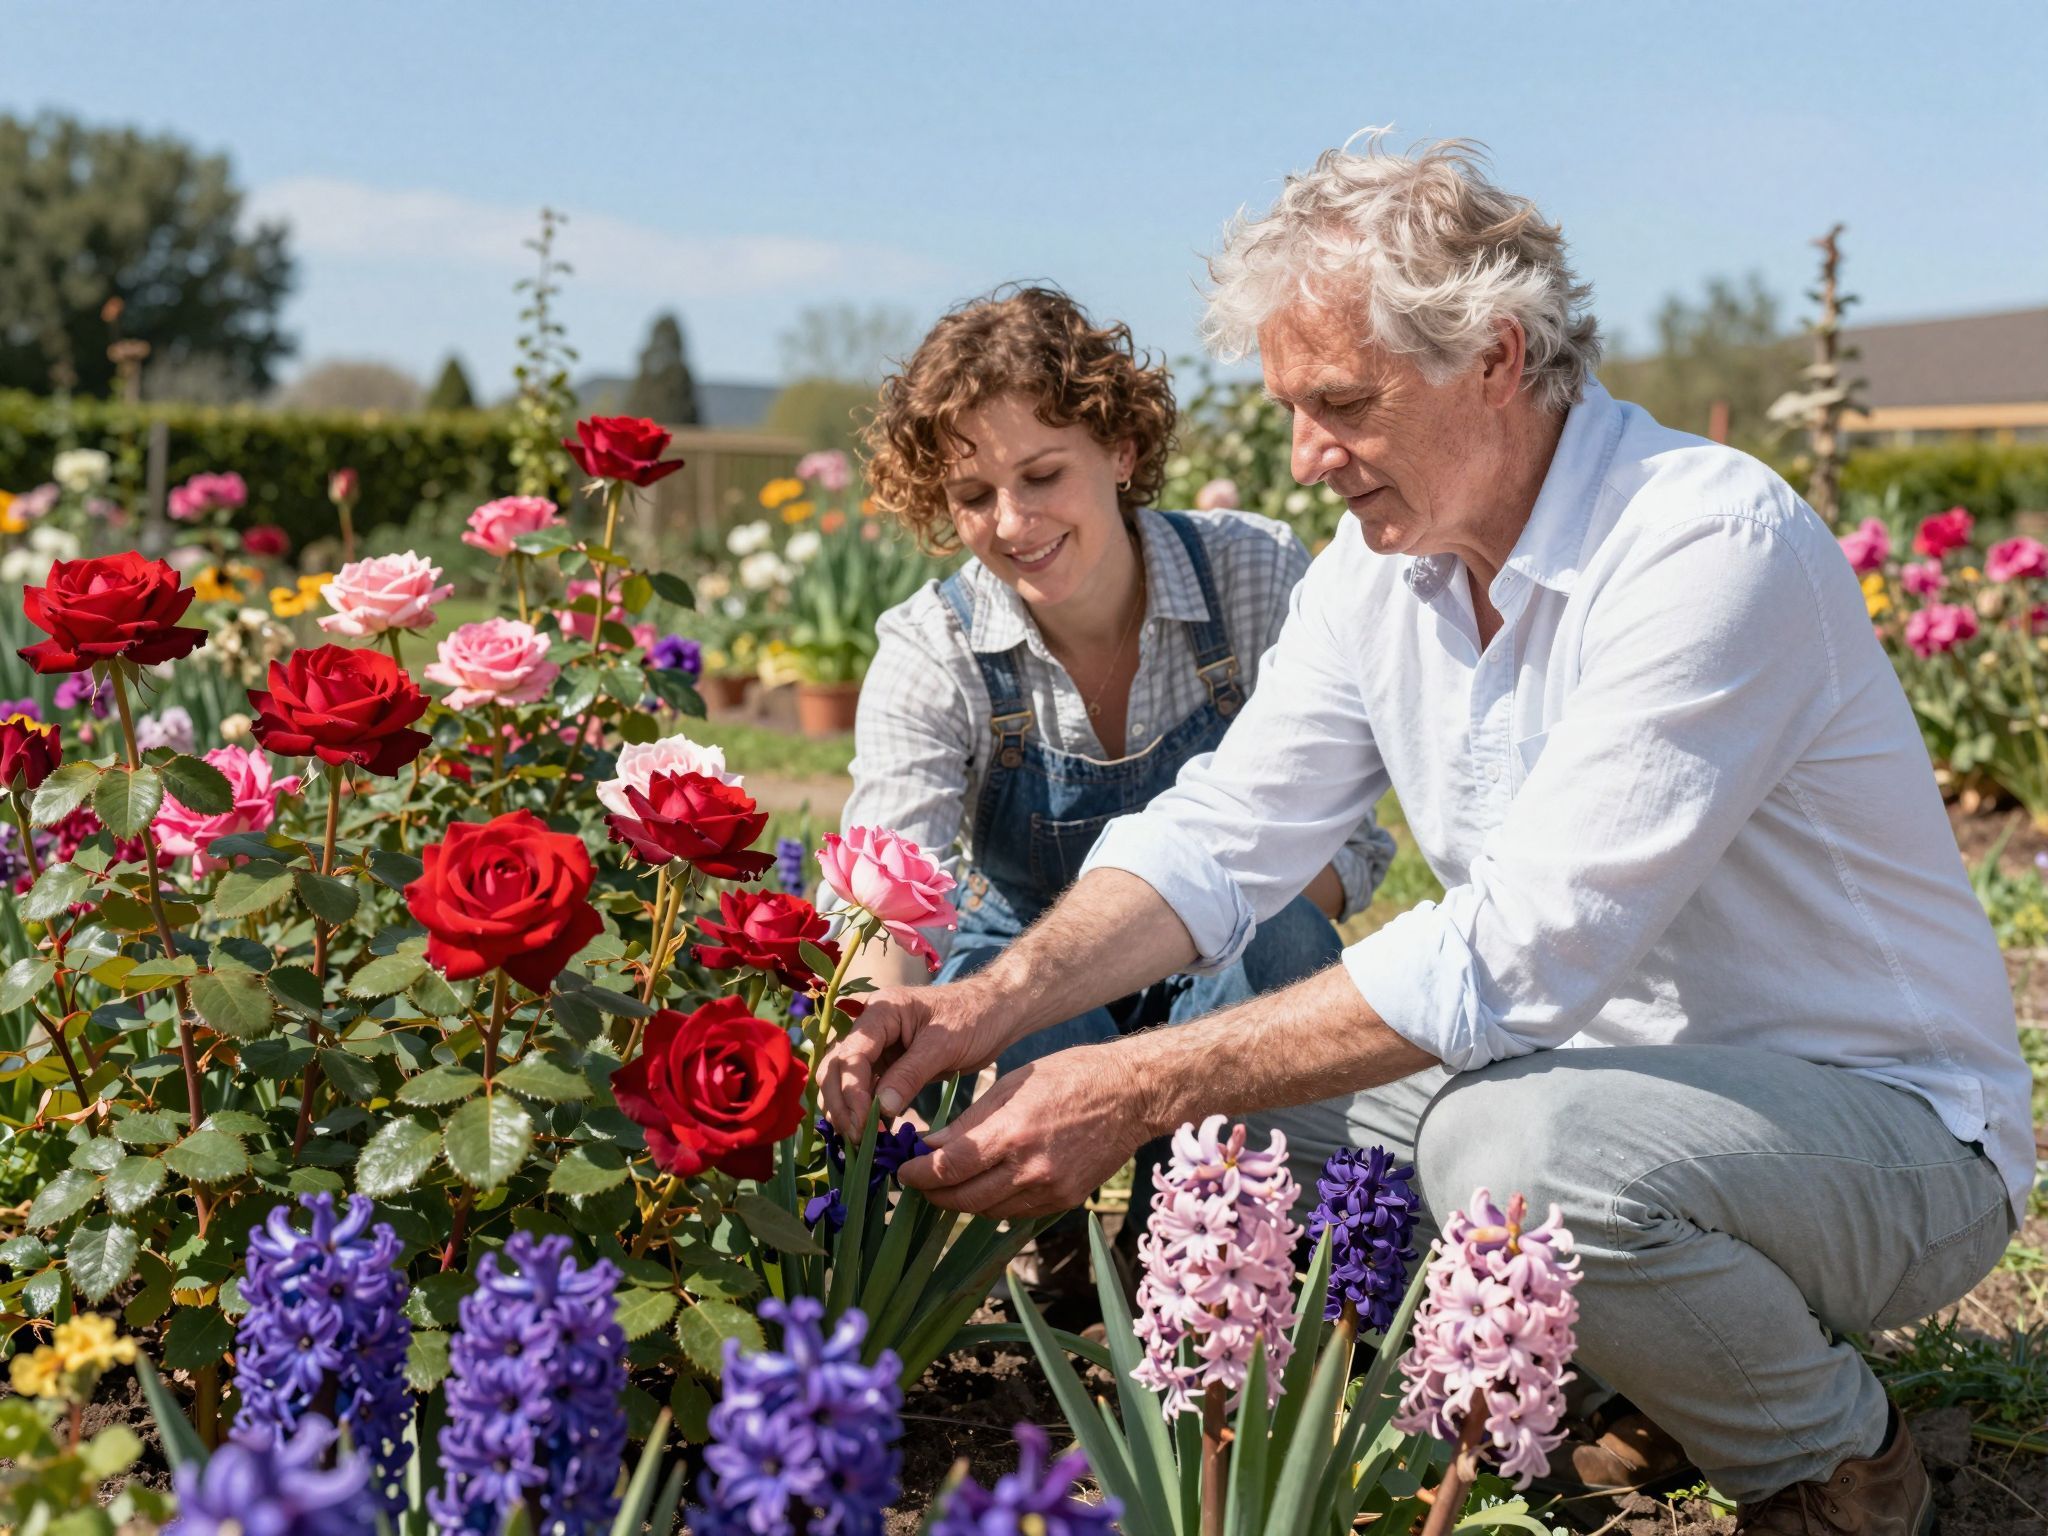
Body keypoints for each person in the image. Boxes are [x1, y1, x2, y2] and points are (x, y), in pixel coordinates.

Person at [822, 139, 2030, 1534]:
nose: (1304, 455)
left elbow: (1519, 954)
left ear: (1498, 359)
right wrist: (986, 1005)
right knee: (1252, 1117)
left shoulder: (1705, 544)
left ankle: (1834, 1464)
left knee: (1513, 1158)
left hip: (1889, 1138)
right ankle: (1641, 1374)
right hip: (1610, 1089)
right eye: (1289, 406)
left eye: (1343, 402)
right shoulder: (1382, 573)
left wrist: (1128, 1085)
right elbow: (1225, 834)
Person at [838, 285, 1396, 1249]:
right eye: (973, 497)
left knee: (1288, 941)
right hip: (1034, 968)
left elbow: (1348, 849)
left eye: (1042, 475)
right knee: (1007, 1020)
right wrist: (875, 1030)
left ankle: (1201, 1262)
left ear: (1121, 450)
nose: (1012, 523)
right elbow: (889, 884)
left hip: (1230, 954)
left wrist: (1179, 923)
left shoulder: (1250, 578)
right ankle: (1050, 1259)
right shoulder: (934, 648)